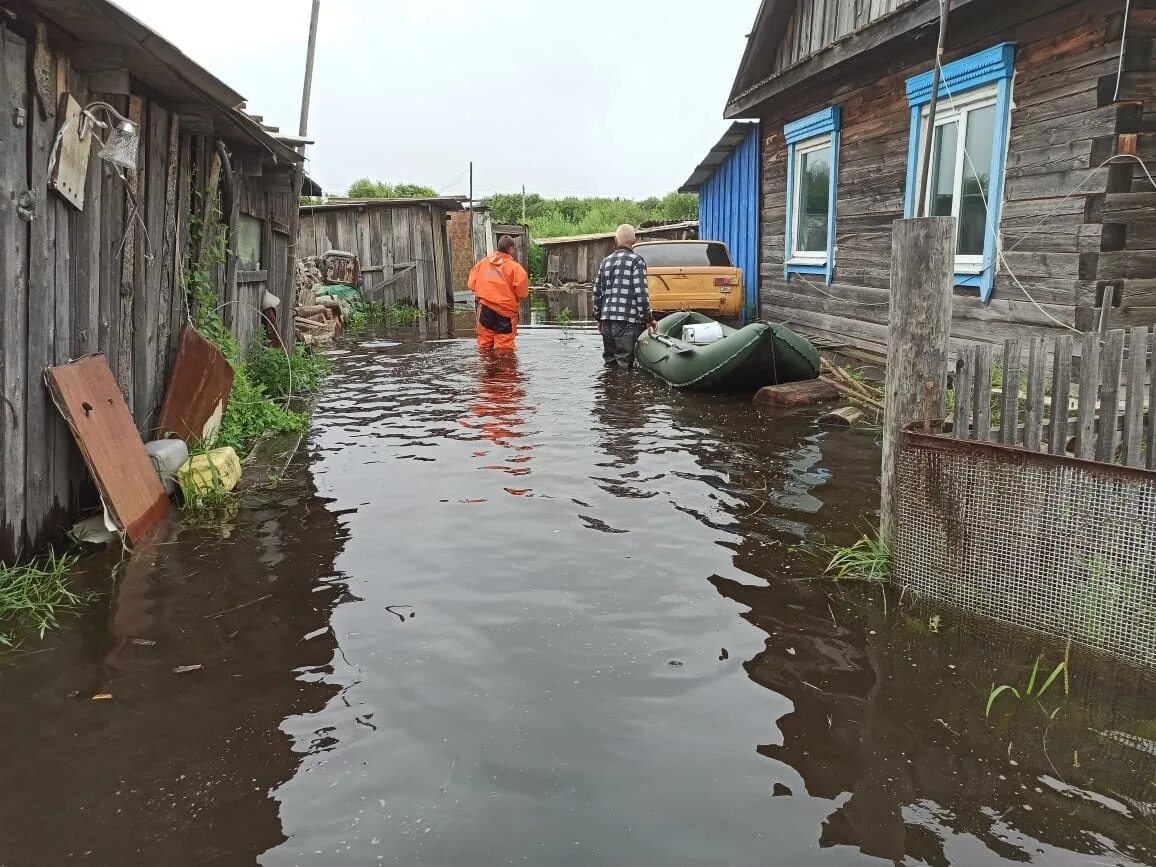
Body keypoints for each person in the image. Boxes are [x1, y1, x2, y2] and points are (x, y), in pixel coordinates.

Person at [594, 224, 656, 369]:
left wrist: (598, 317)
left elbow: (597, 292)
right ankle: (624, 391)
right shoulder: (637, 261)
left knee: (610, 363)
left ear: (616, 240)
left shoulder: (605, 261)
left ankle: (608, 390)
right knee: (624, 364)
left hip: (607, 321)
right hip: (627, 321)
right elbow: (641, 293)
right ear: (634, 241)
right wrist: (648, 318)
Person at [468, 235, 530, 352]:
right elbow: (522, 294)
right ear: (511, 249)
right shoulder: (516, 268)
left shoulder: (483, 263)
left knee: (484, 346)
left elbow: (471, 284)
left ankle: (485, 369)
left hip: (485, 310)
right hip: (505, 313)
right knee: (504, 350)